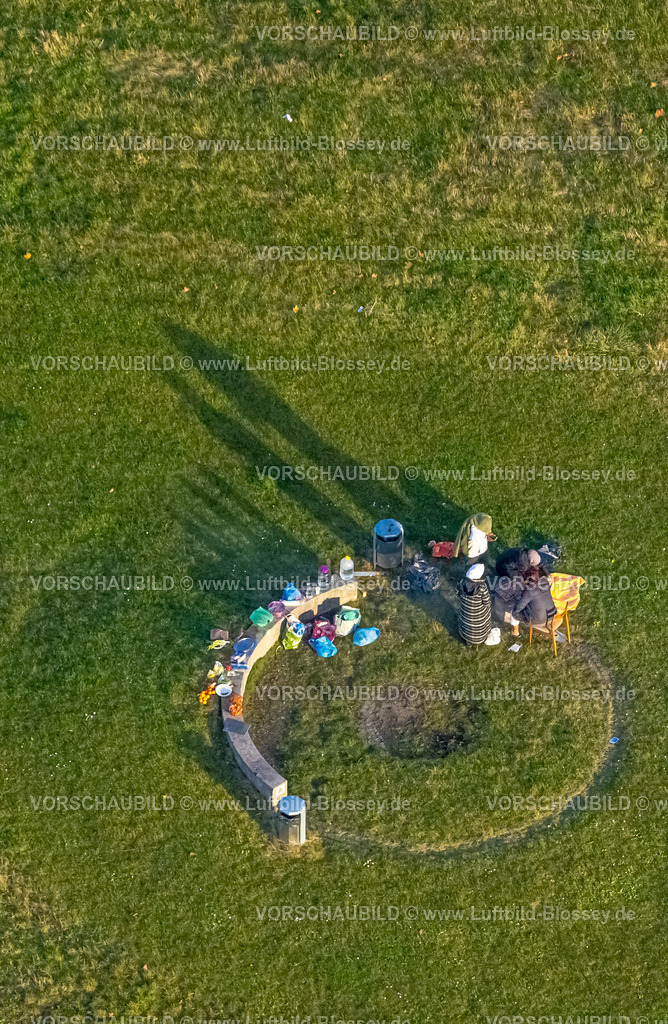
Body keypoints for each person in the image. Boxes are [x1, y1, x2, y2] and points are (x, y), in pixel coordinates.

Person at [512, 567, 562, 633]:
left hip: (538, 621)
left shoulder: (529, 591)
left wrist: (518, 616)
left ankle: (516, 632)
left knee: (513, 611)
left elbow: (518, 608)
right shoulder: (546, 582)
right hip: (552, 615)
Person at [457, 563, 492, 646]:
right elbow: (487, 602)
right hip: (479, 630)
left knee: (465, 615)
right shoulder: (482, 587)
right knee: (487, 610)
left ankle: (467, 639)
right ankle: (479, 637)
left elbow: (457, 593)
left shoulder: (461, 582)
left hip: (466, 619)